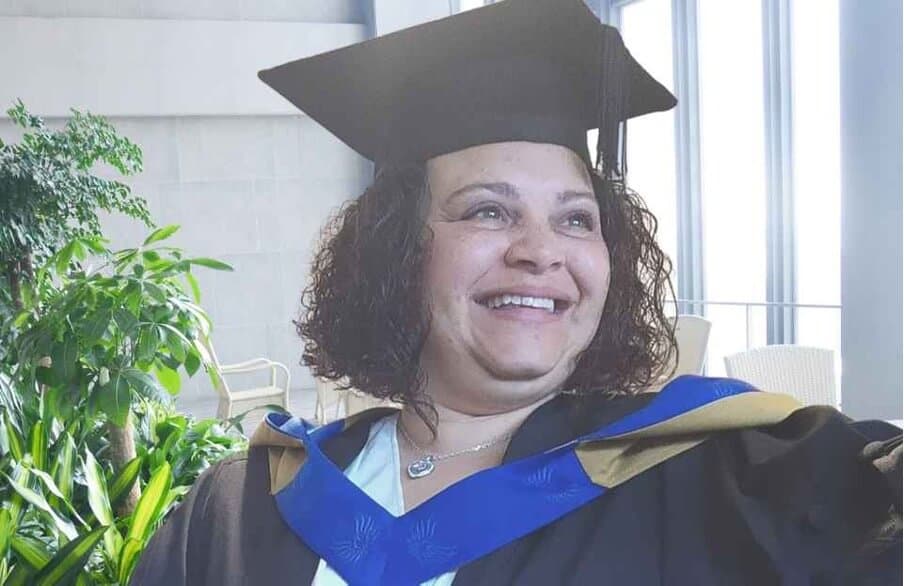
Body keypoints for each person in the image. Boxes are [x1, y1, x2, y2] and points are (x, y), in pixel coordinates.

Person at [132, 0, 902, 584]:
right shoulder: (243, 509)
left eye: (576, 218)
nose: (541, 252)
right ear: (397, 251)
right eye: (489, 211)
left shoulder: (724, 477)